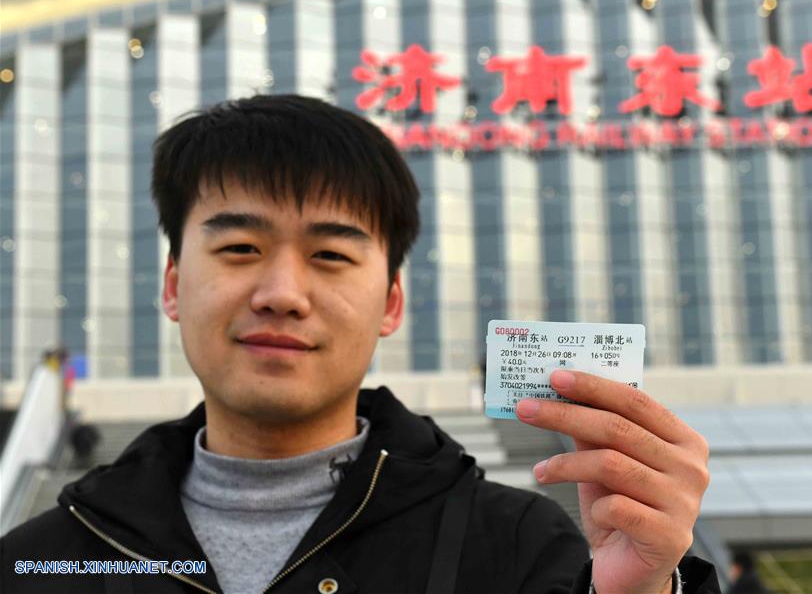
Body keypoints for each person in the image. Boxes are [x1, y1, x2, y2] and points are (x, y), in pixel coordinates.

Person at [0, 95, 718, 593]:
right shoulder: (40, 560)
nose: (282, 291)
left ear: (391, 302)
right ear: (171, 283)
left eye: (331, 256)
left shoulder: (519, 546)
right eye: (242, 246)